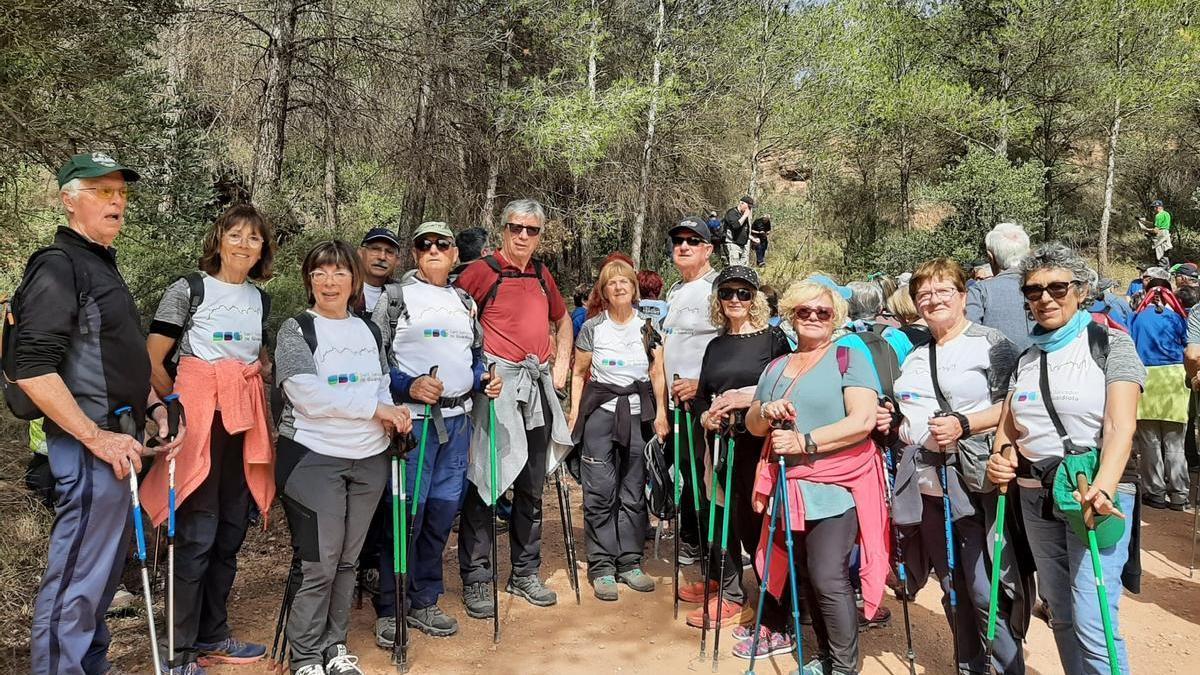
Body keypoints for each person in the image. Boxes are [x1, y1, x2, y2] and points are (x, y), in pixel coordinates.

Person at [19, 153, 184, 675]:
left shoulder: (98, 265)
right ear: (69, 199)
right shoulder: (58, 265)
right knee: (77, 580)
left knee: (100, 578)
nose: (117, 201)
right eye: (102, 191)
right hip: (93, 453)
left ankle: (90, 665)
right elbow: (30, 367)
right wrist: (96, 437)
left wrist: (154, 407)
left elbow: (112, 359)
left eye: (121, 193)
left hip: (121, 446)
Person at [987, 243, 1143, 675]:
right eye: (1034, 291)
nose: (1045, 298)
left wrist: (1104, 486)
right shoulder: (1026, 357)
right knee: (1061, 610)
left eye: (1058, 287)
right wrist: (1002, 457)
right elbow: (1009, 427)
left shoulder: (1111, 344)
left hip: (1093, 492)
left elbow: (1120, 426)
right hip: (1036, 495)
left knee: (1094, 620)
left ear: (1081, 290)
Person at [877, 259, 1027, 674]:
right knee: (952, 587)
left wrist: (964, 424)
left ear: (964, 295)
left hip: (974, 482)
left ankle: (1007, 667)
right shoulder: (916, 353)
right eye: (924, 293)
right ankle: (969, 666)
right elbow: (908, 411)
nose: (933, 300)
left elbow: (1016, 404)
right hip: (925, 486)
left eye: (943, 291)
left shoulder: (990, 342)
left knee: (984, 588)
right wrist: (891, 421)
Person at [145, 203, 277, 673]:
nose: (244, 244)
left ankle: (212, 635)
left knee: (229, 531)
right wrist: (174, 407)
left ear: (264, 248)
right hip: (199, 427)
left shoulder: (259, 299)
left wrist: (257, 370)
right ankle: (178, 653)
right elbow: (154, 357)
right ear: (218, 239)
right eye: (235, 235)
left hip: (242, 426)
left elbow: (256, 353)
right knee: (197, 535)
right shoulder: (190, 289)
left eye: (254, 238)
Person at [274, 240, 412, 675]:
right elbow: (304, 393)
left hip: (369, 456)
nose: (328, 282)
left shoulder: (369, 329)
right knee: (320, 562)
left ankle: (334, 648)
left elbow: (381, 383)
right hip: (315, 457)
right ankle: (306, 656)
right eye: (318, 273)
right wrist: (376, 410)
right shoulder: (296, 329)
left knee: (350, 561)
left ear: (353, 279)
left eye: (338, 273)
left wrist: (393, 414)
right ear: (308, 280)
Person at [745, 279, 886, 675]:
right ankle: (824, 659)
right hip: (789, 489)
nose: (812, 317)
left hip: (838, 486)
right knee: (805, 574)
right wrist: (766, 410)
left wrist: (805, 441)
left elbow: (862, 421)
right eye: (804, 311)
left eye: (822, 312)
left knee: (828, 576)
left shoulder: (848, 357)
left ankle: (843, 667)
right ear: (791, 315)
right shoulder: (775, 367)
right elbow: (754, 425)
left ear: (835, 317)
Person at [370, 222, 503, 643]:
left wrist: (485, 379)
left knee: (441, 515)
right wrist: (407, 385)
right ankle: (391, 607)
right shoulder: (396, 298)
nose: (432, 249)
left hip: (458, 422)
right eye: (423, 244)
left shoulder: (464, 300)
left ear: (452, 254)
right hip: (413, 423)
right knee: (406, 514)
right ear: (414, 254)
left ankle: (424, 600)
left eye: (441, 244)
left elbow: (475, 355)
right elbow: (373, 361)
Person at [454, 198, 574, 618]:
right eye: (516, 227)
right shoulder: (479, 273)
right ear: (502, 229)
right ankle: (477, 577)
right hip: (496, 388)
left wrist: (560, 365)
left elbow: (563, 320)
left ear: (541, 235)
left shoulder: (542, 274)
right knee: (486, 483)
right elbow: (456, 323)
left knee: (530, 484)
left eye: (532, 230)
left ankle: (524, 572)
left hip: (537, 386)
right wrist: (476, 371)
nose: (523, 236)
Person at [686, 266, 791, 650]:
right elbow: (702, 394)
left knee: (759, 526)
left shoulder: (773, 340)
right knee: (722, 521)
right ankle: (732, 596)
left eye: (743, 294)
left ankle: (775, 609)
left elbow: (788, 384)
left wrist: (746, 398)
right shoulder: (716, 345)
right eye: (727, 293)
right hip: (720, 445)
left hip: (757, 447)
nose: (735, 300)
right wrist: (704, 415)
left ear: (756, 299)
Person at [568, 257, 668, 600]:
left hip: (639, 415)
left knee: (633, 490)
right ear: (604, 291)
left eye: (624, 281)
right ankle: (602, 566)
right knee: (599, 490)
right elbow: (580, 373)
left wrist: (662, 415)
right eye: (612, 282)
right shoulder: (593, 328)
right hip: (600, 414)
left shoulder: (648, 328)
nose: (619, 286)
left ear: (634, 288)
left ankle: (629, 561)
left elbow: (657, 373)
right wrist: (573, 414)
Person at [661, 216, 721, 567]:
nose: (683, 246)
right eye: (678, 241)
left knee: (710, 474)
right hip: (675, 405)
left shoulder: (718, 288)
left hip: (706, 404)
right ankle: (694, 540)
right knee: (688, 473)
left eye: (693, 241)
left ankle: (719, 547)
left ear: (708, 249)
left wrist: (703, 384)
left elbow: (734, 345)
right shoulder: (675, 290)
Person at [1129, 276, 1190, 510]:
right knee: (1175, 442)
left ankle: (1155, 492)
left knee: (1150, 442)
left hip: (1146, 378)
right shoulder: (1177, 318)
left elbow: (1131, 346)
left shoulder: (1137, 319)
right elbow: (1188, 346)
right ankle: (1179, 494)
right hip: (1174, 379)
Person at [967, 221, 1035, 352]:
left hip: (998, 369)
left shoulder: (980, 291)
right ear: (1028, 252)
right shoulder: (1047, 285)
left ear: (990, 257)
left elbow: (968, 336)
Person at [357, 228, 402, 313]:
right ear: (360, 253)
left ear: (397, 261)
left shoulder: (401, 294)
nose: (382, 257)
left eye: (389, 252)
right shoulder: (344, 289)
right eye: (375, 249)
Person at [1137, 200, 1172, 267]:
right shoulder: (1167, 214)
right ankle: (1167, 272)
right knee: (1165, 256)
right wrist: (1144, 222)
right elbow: (1158, 225)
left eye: (1154, 207)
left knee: (1159, 257)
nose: (1153, 209)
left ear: (1158, 207)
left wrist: (1146, 229)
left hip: (1160, 237)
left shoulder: (1158, 216)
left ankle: (1161, 273)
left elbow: (1156, 230)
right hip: (1166, 236)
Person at [721, 196, 754, 267]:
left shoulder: (743, 216)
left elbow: (744, 231)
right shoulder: (732, 213)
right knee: (734, 268)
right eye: (748, 206)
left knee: (742, 268)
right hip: (732, 245)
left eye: (750, 207)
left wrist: (753, 238)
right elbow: (735, 226)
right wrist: (745, 216)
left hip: (742, 246)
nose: (749, 209)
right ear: (741, 203)